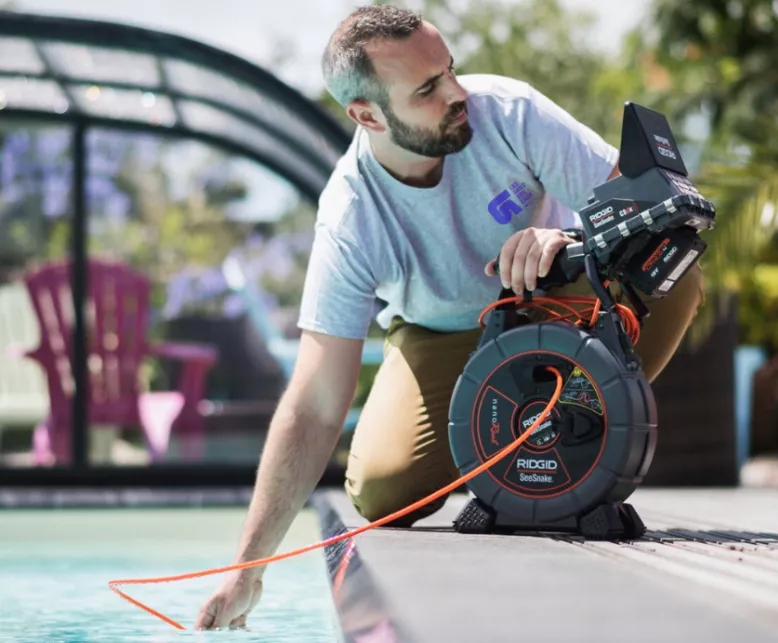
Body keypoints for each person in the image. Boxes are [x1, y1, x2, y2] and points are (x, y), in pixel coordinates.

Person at [195, 3, 705, 630]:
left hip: (556, 300)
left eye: (450, 71)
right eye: (428, 88)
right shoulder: (350, 217)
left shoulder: (510, 112)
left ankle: (592, 429)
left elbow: (642, 204)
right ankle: (510, 449)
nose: (458, 93)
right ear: (367, 115)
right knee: (383, 494)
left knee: (674, 274)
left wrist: (569, 243)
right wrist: (248, 570)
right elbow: (315, 402)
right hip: (440, 334)